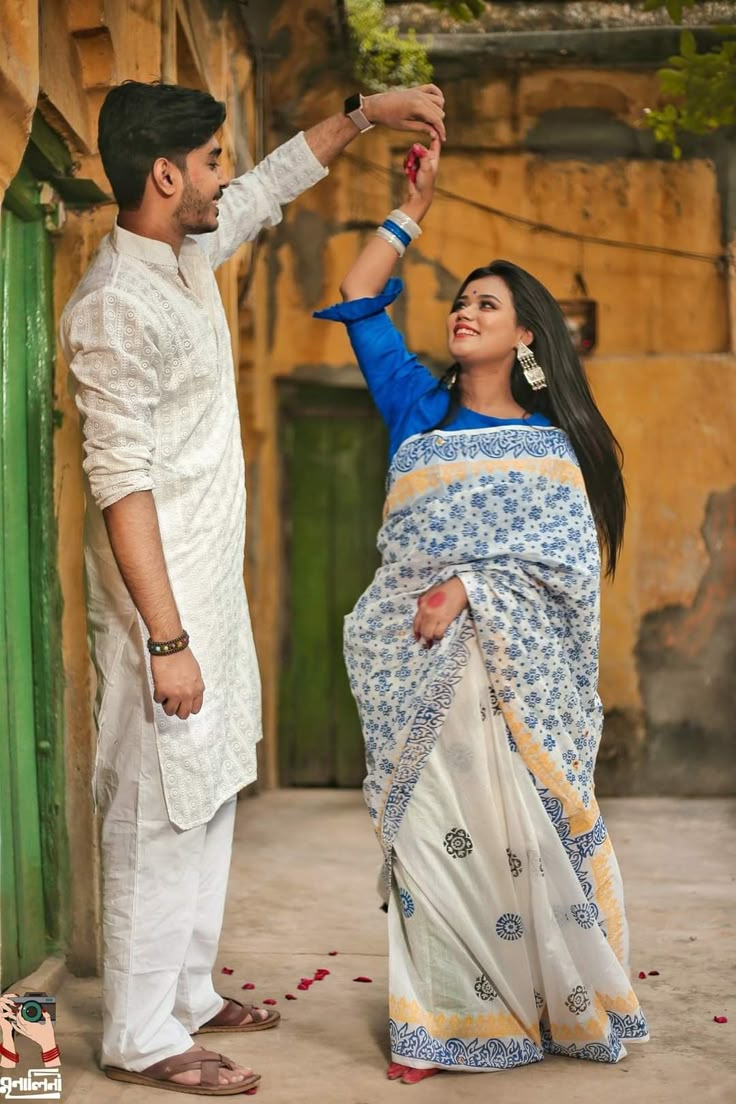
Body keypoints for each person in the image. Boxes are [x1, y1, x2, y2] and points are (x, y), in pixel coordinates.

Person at [60, 78, 446, 1096]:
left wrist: (368, 115)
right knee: (155, 807)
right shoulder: (112, 306)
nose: (229, 175)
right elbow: (120, 483)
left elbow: (276, 181)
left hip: (207, 594)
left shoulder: (188, 252)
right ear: (165, 174)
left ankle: (183, 994)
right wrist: (165, 636)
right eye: (215, 160)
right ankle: (141, 1037)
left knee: (211, 791)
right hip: (163, 605)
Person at [314, 136, 649, 1083]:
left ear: (526, 336)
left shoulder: (552, 448)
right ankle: (437, 1023)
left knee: (516, 844)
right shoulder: (418, 409)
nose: (464, 311)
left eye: (486, 304)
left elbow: (565, 571)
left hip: (512, 684)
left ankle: (543, 1003)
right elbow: (361, 292)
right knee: (430, 840)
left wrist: (472, 587)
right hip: (421, 672)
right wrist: (411, 208)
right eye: (461, 300)